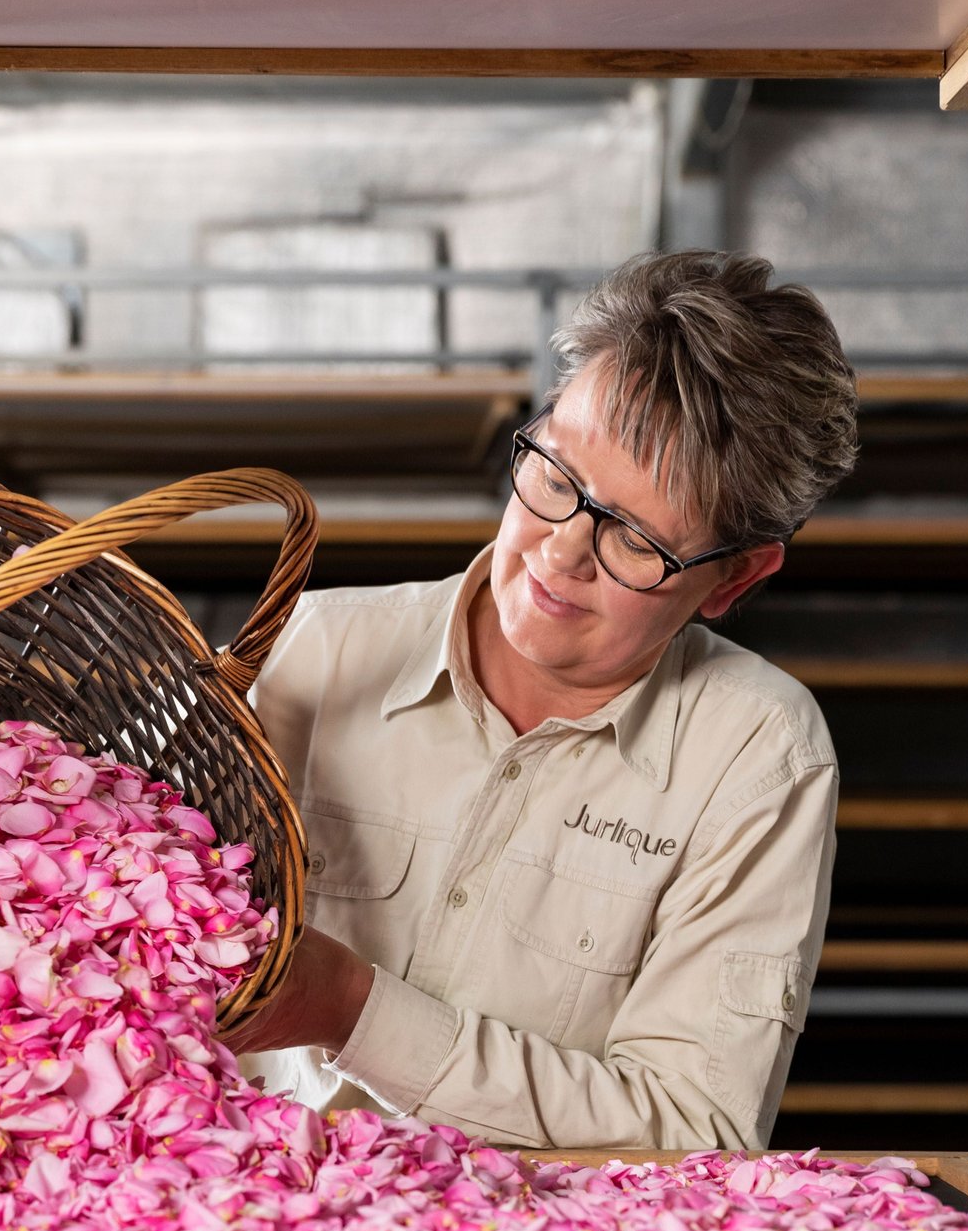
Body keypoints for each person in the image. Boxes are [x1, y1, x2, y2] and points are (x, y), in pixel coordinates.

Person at [230, 248, 858, 1152]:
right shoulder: (311, 652)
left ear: (733, 579)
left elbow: (696, 1127)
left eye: (637, 540)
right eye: (556, 481)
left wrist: (352, 1010)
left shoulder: (757, 755)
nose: (560, 554)